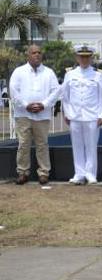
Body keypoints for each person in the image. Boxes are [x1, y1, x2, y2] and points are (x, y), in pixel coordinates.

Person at [8, 44, 60, 185]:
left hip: (42, 115)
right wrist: (26, 105)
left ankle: (43, 173)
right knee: (23, 144)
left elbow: (56, 91)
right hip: (23, 114)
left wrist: (44, 104)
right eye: (34, 52)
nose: (37, 55)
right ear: (28, 55)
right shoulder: (19, 72)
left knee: (42, 144)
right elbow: (13, 91)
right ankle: (23, 172)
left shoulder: (49, 72)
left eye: (39, 52)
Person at [60, 43, 102, 185]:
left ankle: (90, 174)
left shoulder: (98, 76)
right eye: (81, 57)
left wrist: (101, 115)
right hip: (75, 115)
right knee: (77, 146)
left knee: (91, 146)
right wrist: (67, 113)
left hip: (92, 115)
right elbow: (65, 96)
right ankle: (79, 173)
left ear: (91, 58)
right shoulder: (70, 75)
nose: (84, 60)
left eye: (87, 57)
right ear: (77, 58)